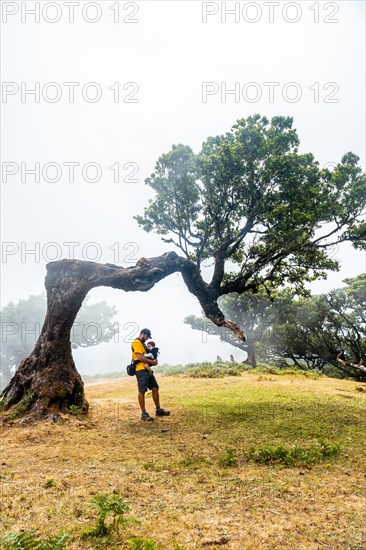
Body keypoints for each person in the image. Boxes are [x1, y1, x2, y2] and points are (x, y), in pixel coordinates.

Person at [131, 328, 170, 421]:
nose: (147, 338)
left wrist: (152, 362)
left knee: (155, 387)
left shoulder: (142, 343)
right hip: (140, 370)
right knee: (142, 391)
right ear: (143, 334)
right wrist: (152, 361)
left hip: (147, 370)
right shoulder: (136, 342)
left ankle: (158, 410)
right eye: (147, 336)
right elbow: (139, 357)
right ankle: (144, 414)